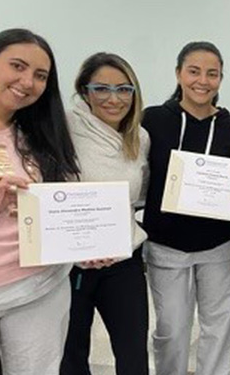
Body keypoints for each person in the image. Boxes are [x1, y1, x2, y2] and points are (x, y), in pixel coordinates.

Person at [141, 41, 230, 375]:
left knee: (218, 328)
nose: (202, 81)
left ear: (221, 79)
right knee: (172, 330)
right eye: (194, 71)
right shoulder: (152, 121)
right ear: (178, 74)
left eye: (212, 74)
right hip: (166, 246)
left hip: (221, 245)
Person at [0, 28, 79, 374]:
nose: (27, 82)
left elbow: (64, 199)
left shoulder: (43, 133)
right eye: (18, 66)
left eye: (40, 75)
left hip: (40, 287)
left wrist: (87, 242)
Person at [60, 53, 150, 375]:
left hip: (124, 263)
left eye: (124, 89)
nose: (114, 99)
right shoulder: (64, 128)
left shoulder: (139, 138)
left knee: (133, 354)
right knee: (71, 354)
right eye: (102, 89)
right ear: (85, 92)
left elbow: (137, 197)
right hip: (74, 265)